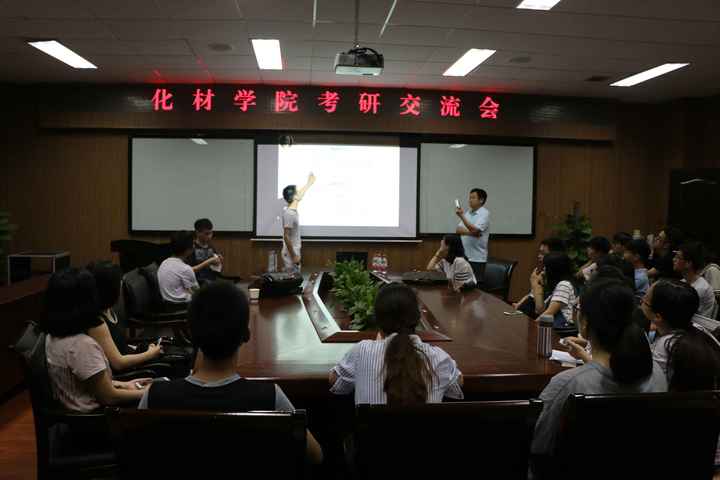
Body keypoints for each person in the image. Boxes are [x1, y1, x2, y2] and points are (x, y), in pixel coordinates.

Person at [139, 281, 323, 464]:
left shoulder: (154, 396)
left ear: (191, 334)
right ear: (245, 335)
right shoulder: (271, 398)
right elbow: (316, 456)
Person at [531, 279, 667, 460]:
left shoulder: (568, 383)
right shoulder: (657, 373)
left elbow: (538, 446)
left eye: (578, 309)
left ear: (585, 323)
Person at [329, 283, 463, 405]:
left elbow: (335, 380)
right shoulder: (439, 358)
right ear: (417, 319)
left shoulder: (362, 351)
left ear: (378, 321)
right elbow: (458, 382)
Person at [40, 268, 150, 412]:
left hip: (82, 410)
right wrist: (148, 393)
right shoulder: (81, 345)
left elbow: (91, 383)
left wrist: (124, 384)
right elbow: (109, 397)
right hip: (99, 418)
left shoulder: (52, 336)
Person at [86, 261, 163, 372]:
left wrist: (144, 349)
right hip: (125, 374)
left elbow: (121, 346)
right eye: (119, 282)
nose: (121, 286)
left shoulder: (110, 310)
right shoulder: (97, 323)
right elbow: (118, 363)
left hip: (131, 360)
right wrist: (150, 354)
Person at [158, 231, 218, 304]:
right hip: (183, 306)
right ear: (188, 250)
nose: (194, 246)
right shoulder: (185, 269)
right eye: (193, 244)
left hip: (167, 304)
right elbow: (197, 294)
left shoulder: (164, 263)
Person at [512, 237, 565, 312]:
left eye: (543, 253)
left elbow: (540, 310)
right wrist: (519, 304)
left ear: (555, 256)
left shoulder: (561, 283)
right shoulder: (542, 271)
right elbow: (531, 294)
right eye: (539, 252)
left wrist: (535, 284)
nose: (539, 256)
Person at [530, 252, 578, 327]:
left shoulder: (564, 285)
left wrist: (532, 326)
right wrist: (536, 286)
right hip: (555, 328)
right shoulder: (557, 286)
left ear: (553, 269)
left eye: (545, 267)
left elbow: (548, 314)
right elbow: (539, 310)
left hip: (563, 330)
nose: (543, 271)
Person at [281, 173, 316, 273]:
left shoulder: (292, 211)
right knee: (292, 279)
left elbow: (301, 193)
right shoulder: (289, 213)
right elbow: (286, 236)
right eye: (298, 191)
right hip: (291, 253)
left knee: (296, 277)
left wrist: (309, 183)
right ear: (294, 196)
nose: (301, 192)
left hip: (294, 250)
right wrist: (294, 256)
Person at [455, 188, 490, 286]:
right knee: (463, 285)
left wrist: (462, 216)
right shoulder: (468, 213)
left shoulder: (484, 213)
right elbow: (458, 230)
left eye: (473, 198)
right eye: (469, 198)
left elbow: (475, 230)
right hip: (465, 257)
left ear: (481, 200)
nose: (470, 200)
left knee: (475, 287)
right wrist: (472, 233)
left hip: (477, 258)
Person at [673, 242, 717, 318]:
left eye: (678, 257)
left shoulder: (700, 288)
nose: (673, 259)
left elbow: (679, 314)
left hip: (697, 325)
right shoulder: (683, 281)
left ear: (688, 263)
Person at [189, 218, 224, 284]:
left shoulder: (211, 246)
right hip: (197, 282)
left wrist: (219, 260)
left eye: (211, 233)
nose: (210, 236)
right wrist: (209, 262)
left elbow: (217, 268)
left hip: (212, 280)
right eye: (207, 234)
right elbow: (189, 270)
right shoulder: (191, 248)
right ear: (197, 233)